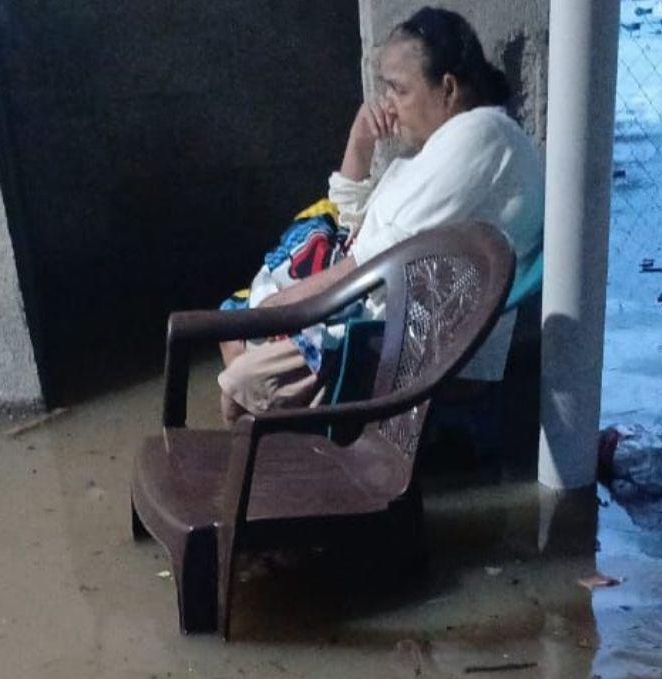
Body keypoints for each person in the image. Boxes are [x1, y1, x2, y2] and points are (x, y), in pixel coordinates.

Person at [217, 6, 544, 424]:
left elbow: (377, 255)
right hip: (379, 318)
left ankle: (280, 454)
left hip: (407, 342)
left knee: (238, 385)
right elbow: (353, 224)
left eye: (399, 90)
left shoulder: (482, 135)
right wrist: (360, 142)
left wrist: (286, 306)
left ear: (447, 88)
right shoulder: (435, 146)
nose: (388, 104)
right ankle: (283, 445)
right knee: (235, 335)